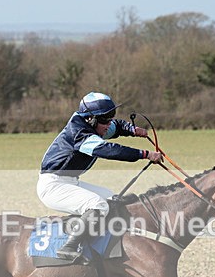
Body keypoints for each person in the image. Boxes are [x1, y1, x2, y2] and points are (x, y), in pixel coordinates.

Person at [37, 91, 163, 261]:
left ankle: (106, 248)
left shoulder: (94, 124)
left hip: (70, 182)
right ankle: (69, 247)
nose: (108, 124)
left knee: (113, 200)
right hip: (53, 186)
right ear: (91, 119)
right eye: (105, 120)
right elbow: (109, 150)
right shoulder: (80, 133)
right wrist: (145, 154)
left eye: (109, 118)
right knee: (98, 205)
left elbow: (115, 126)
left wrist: (132, 129)